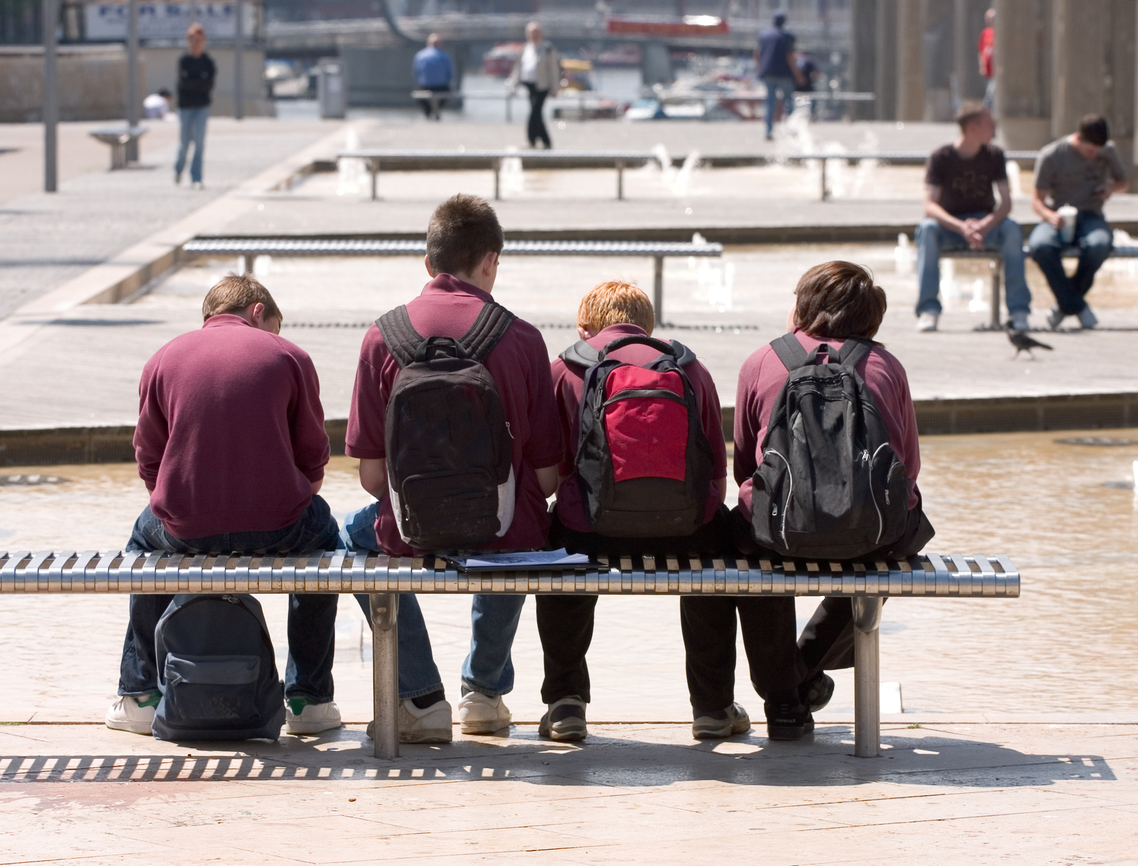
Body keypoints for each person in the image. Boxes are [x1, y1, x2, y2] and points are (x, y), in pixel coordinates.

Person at [540, 280, 808, 742]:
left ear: (585, 328)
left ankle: (566, 703)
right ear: (648, 327)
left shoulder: (566, 367)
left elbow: (552, 464)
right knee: (716, 558)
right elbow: (715, 472)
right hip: (684, 531)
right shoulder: (688, 367)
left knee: (560, 543)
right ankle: (712, 707)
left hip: (591, 531)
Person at [344, 194, 562, 742]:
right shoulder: (523, 338)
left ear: (428, 263)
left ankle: (419, 697)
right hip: (505, 534)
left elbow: (372, 479)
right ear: (491, 261)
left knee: (350, 538)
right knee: (520, 523)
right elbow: (546, 479)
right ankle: (484, 696)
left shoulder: (381, 336)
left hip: (408, 532)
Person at [106, 275, 346, 737]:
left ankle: (138, 695)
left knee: (143, 542)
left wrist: (181, 505)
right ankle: (308, 700)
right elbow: (314, 457)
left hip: (186, 528)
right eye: (273, 327)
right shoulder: (291, 357)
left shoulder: (163, 358)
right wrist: (289, 498)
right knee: (326, 542)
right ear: (258, 312)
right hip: (280, 526)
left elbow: (148, 460)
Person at [735, 261, 934, 713]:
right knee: (897, 542)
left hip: (779, 533)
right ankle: (806, 666)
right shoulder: (885, 366)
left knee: (746, 545)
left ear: (804, 305)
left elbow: (746, 468)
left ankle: (784, 690)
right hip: (872, 534)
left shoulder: (763, 360)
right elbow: (908, 468)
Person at [914, 102, 1031, 332]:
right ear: (973, 127)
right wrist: (961, 227)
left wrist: (986, 224)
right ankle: (929, 309)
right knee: (927, 229)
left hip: (985, 224)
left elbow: (1006, 202)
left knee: (1012, 229)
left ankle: (1018, 311)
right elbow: (930, 207)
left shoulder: (995, 155)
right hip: (951, 226)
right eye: (989, 123)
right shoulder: (941, 157)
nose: (994, 128)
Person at [1029, 114, 1130, 331]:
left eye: (1097, 152)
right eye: (1089, 151)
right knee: (1040, 246)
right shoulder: (1052, 155)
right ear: (1078, 138)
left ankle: (1065, 304)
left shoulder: (1108, 151)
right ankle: (1076, 305)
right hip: (1058, 215)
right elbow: (1036, 200)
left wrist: (1110, 188)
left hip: (1091, 215)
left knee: (1099, 245)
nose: (1094, 155)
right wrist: (1049, 216)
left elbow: (1123, 182)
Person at [175, 22, 215, 190]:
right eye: (193, 39)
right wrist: (198, 82)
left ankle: (196, 177)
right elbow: (183, 83)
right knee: (184, 143)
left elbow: (209, 84)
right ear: (189, 40)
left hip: (202, 106)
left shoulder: (208, 62)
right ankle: (178, 169)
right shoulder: (184, 60)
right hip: (185, 107)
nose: (196, 43)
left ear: (204, 41)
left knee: (199, 142)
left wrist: (195, 83)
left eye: (200, 39)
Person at [508, 21, 560, 149]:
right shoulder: (525, 48)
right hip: (529, 84)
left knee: (534, 112)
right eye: (531, 33)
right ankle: (546, 141)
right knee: (537, 114)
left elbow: (554, 69)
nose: (533, 35)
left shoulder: (547, 48)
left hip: (542, 86)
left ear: (541, 33)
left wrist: (554, 88)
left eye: (536, 32)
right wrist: (513, 85)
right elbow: (518, 68)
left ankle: (531, 140)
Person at [754, 11, 803, 141]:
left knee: (770, 102)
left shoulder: (763, 36)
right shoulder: (788, 37)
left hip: (767, 73)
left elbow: (757, 55)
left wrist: (759, 69)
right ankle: (789, 129)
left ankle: (768, 131)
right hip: (784, 74)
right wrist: (798, 75)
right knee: (788, 102)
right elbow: (790, 57)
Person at [412, 33, 455, 120]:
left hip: (425, 87)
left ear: (428, 43)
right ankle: (437, 112)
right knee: (447, 92)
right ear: (439, 44)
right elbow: (450, 74)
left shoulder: (420, 55)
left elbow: (416, 73)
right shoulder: (445, 56)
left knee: (419, 94)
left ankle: (428, 114)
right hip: (441, 87)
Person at [978, 8, 995, 109]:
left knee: (990, 93)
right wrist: (982, 65)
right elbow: (981, 51)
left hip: (997, 71)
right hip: (988, 70)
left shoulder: (1000, 32)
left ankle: (984, 112)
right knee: (989, 92)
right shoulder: (985, 33)